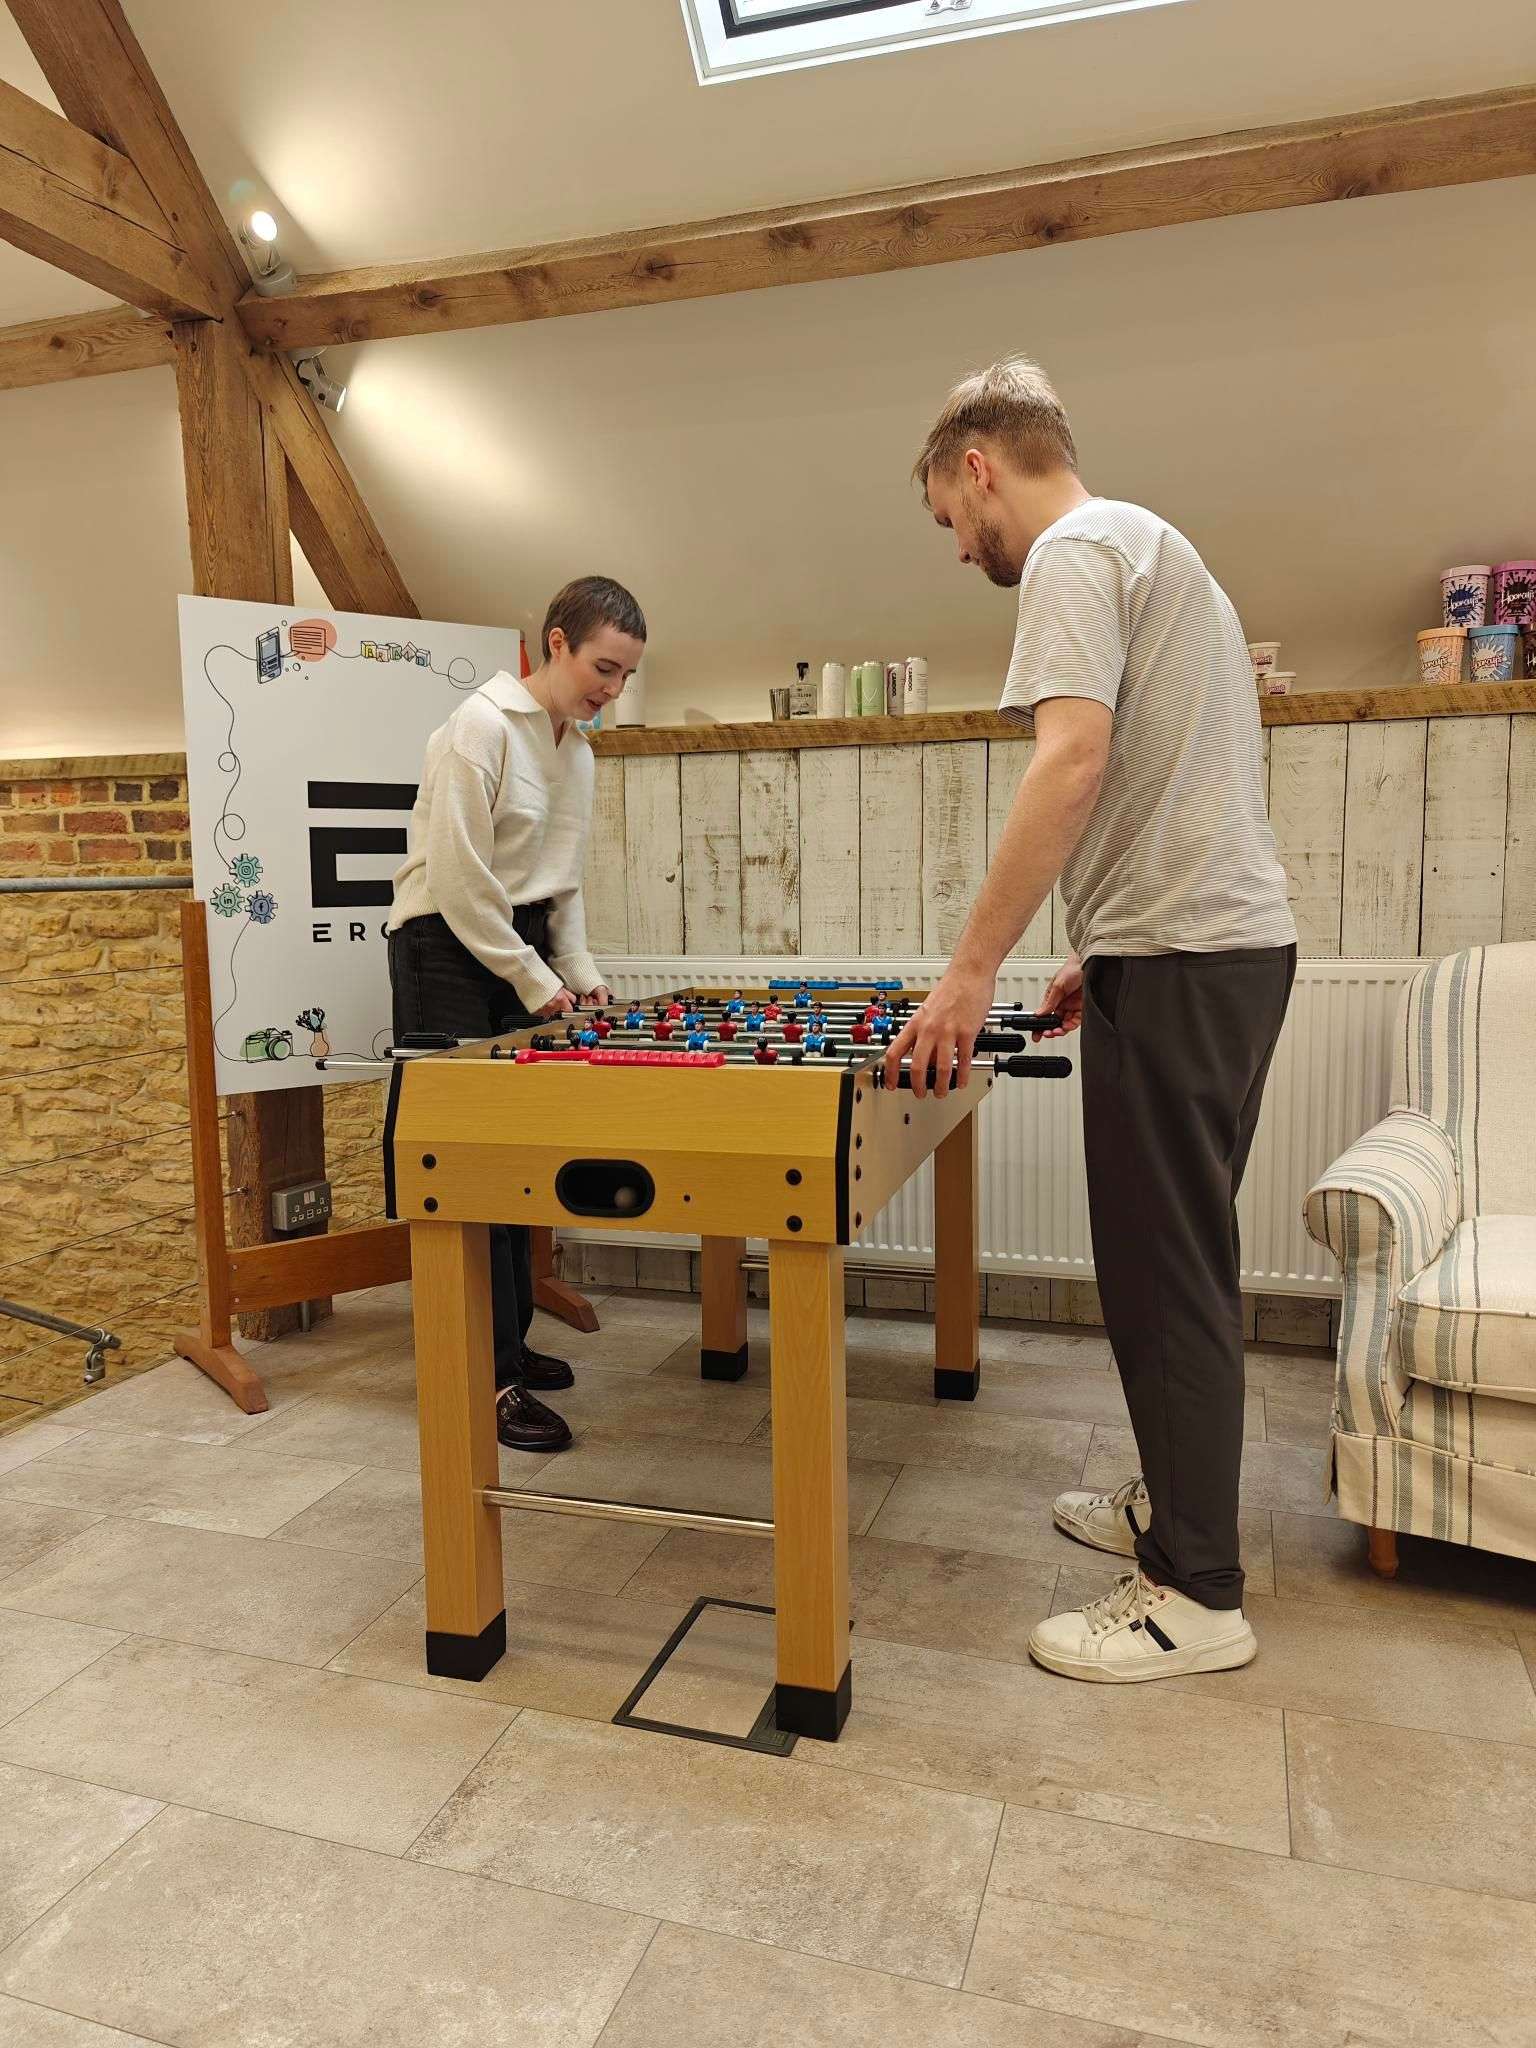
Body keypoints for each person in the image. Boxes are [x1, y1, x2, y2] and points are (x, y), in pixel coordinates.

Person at [886, 358, 1295, 1682]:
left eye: (952, 518)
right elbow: (1167, 773)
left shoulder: (1073, 551)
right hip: (1187, 952)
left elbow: (1074, 759)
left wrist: (971, 970)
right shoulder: (1149, 546)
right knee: (1153, 1263)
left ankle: (1197, 1594)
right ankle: (1172, 1511)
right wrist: (1098, 949)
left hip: (1191, 961)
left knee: (1165, 1277)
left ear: (981, 465)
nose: (961, 548)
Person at [387, 575, 646, 1453]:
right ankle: (485, 1384)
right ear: (556, 643)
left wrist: (580, 971)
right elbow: (459, 884)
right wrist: (537, 982)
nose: (611, 689)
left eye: (625, 676)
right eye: (603, 668)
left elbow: (559, 887)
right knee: (463, 1177)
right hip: (444, 951)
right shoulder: (479, 729)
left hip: (512, 947)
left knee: (511, 1167)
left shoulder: (579, 751)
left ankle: (508, 1348)